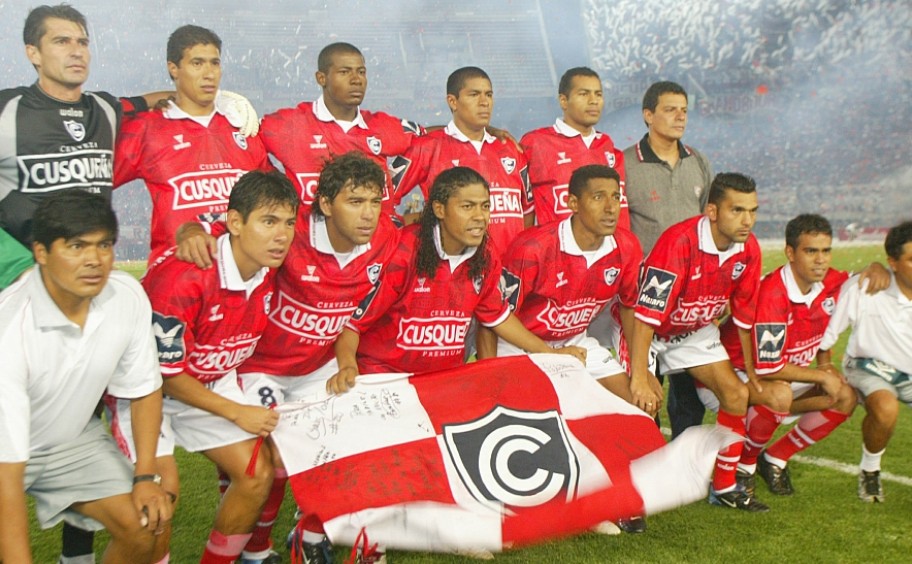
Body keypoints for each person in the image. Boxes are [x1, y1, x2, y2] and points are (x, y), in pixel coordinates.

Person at [234, 152, 400, 564]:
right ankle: (255, 551)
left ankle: (313, 535)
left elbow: (349, 319)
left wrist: (347, 363)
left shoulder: (385, 239)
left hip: (318, 365)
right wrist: (191, 231)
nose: (368, 215)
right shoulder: (290, 236)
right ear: (325, 205)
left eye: (375, 202)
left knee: (358, 439)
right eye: (355, 202)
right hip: (261, 365)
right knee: (274, 458)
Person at [0, 190, 171, 563]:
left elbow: (144, 390)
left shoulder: (126, 296)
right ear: (41, 252)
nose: (94, 260)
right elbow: (6, 480)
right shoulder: (10, 331)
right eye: (76, 246)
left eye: (104, 245)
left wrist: (146, 477)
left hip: (68, 442)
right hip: (4, 456)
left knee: (143, 527)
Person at [136, 170, 298, 564]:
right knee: (160, 497)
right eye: (269, 221)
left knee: (257, 472)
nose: (283, 235)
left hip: (207, 382)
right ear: (236, 223)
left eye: (289, 223)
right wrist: (238, 411)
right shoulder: (184, 278)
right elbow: (166, 377)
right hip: (145, 394)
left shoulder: (266, 268)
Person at [492, 164, 654, 534]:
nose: (611, 207)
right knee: (546, 424)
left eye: (616, 197)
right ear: (572, 203)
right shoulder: (533, 248)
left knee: (632, 403)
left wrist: (640, 375)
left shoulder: (626, 245)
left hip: (575, 341)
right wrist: (537, 357)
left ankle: (612, 500)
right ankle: (549, 502)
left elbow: (630, 307)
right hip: (521, 345)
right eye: (599, 197)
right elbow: (498, 316)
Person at [329, 166, 585, 390]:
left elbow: (497, 316)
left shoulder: (485, 256)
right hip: (387, 378)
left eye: (485, 206)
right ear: (439, 209)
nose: (480, 216)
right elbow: (353, 326)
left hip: (444, 379)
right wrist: (348, 367)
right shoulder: (404, 251)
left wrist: (552, 354)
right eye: (467, 206)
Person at [713, 214, 885, 496]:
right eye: (811, 251)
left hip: (780, 375)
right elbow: (768, 368)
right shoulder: (773, 294)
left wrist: (876, 266)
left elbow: (861, 280)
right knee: (779, 395)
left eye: (825, 250)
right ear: (790, 253)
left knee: (845, 395)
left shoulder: (830, 281)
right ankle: (745, 467)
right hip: (733, 376)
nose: (820, 259)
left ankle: (775, 459)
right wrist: (821, 374)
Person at [627, 172, 768, 512]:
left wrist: (753, 370)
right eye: (737, 210)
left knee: (738, 394)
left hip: (693, 330)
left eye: (753, 210)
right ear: (713, 211)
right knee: (640, 405)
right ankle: (628, 497)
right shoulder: (679, 242)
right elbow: (645, 318)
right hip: (647, 329)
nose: (747, 220)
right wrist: (640, 376)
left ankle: (723, 487)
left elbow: (745, 316)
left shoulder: (748, 249)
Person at [114, 25, 271, 266]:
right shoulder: (146, 129)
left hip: (242, 287)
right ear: (173, 68)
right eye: (197, 63)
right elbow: (93, 182)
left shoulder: (242, 126)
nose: (209, 73)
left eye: (215, 63)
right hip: (177, 283)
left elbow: (274, 200)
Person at [623, 80, 714, 439]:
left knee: (688, 395)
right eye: (670, 109)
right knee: (643, 387)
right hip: (643, 294)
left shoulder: (699, 161)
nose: (680, 117)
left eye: (684, 110)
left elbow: (710, 222)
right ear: (648, 115)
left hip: (690, 296)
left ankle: (683, 458)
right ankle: (644, 456)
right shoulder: (626, 163)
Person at [257, 42, 420, 221]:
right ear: (321, 78)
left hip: (378, 243)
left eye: (361, 72)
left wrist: (394, 185)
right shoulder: (289, 125)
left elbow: (436, 141)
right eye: (344, 72)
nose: (356, 79)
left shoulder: (383, 125)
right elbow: (241, 142)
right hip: (311, 244)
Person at [390, 67, 532, 254]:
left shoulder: (510, 148)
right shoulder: (427, 147)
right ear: (452, 101)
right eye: (474, 94)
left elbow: (528, 210)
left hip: (509, 272)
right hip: (454, 272)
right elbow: (384, 195)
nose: (484, 102)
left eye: (488, 95)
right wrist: (416, 224)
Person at [819, 220, 912, 503]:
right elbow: (826, 338)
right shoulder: (867, 287)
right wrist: (826, 369)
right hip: (867, 366)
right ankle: (870, 471)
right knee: (886, 407)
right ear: (892, 263)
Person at [519, 67, 629, 228]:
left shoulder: (607, 145)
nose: (593, 100)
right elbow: (522, 207)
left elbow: (621, 212)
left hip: (606, 250)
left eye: (598, 94)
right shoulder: (536, 143)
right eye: (584, 94)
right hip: (555, 249)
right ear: (564, 100)